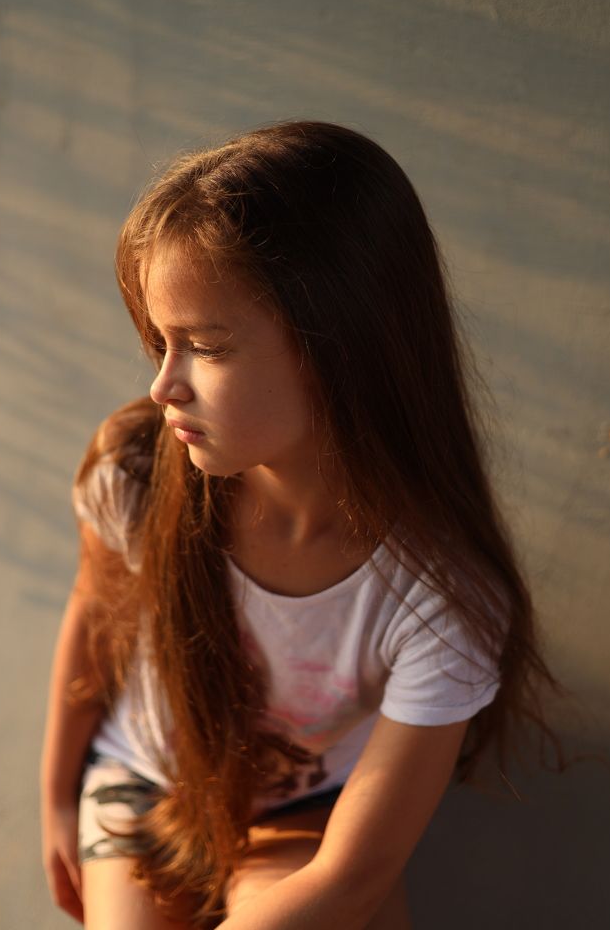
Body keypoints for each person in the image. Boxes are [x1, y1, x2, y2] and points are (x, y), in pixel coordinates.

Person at [40, 120, 565, 930]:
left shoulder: (441, 599)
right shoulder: (136, 476)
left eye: (205, 346)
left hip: (309, 815)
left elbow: (350, 875)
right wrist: (56, 797)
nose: (162, 386)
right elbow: (93, 619)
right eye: (159, 343)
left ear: (342, 347)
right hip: (145, 784)